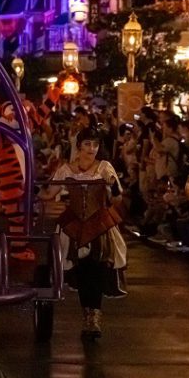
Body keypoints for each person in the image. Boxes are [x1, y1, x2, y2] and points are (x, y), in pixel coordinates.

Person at [40, 127, 126, 339]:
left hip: (99, 223)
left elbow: (117, 199)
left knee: (96, 268)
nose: (92, 149)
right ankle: (87, 314)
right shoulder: (65, 169)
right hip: (73, 224)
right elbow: (50, 193)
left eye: (95, 145)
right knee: (81, 270)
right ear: (79, 146)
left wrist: (112, 187)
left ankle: (94, 317)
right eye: (87, 144)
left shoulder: (104, 167)